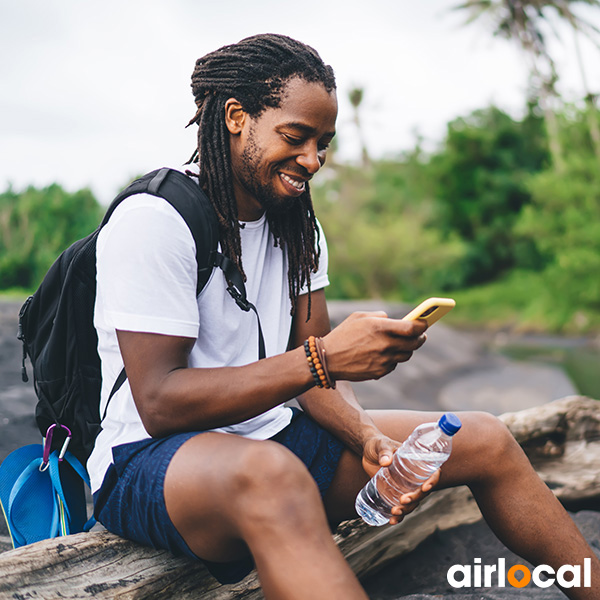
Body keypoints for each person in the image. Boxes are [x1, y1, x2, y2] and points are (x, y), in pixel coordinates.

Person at [88, 34, 599, 599]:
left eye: (323, 142)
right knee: (274, 477)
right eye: (295, 136)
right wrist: (322, 358)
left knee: (484, 438)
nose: (313, 159)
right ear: (237, 117)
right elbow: (161, 402)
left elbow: (315, 383)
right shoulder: (155, 220)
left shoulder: (296, 225)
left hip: (268, 433)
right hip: (149, 462)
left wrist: (367, 437)